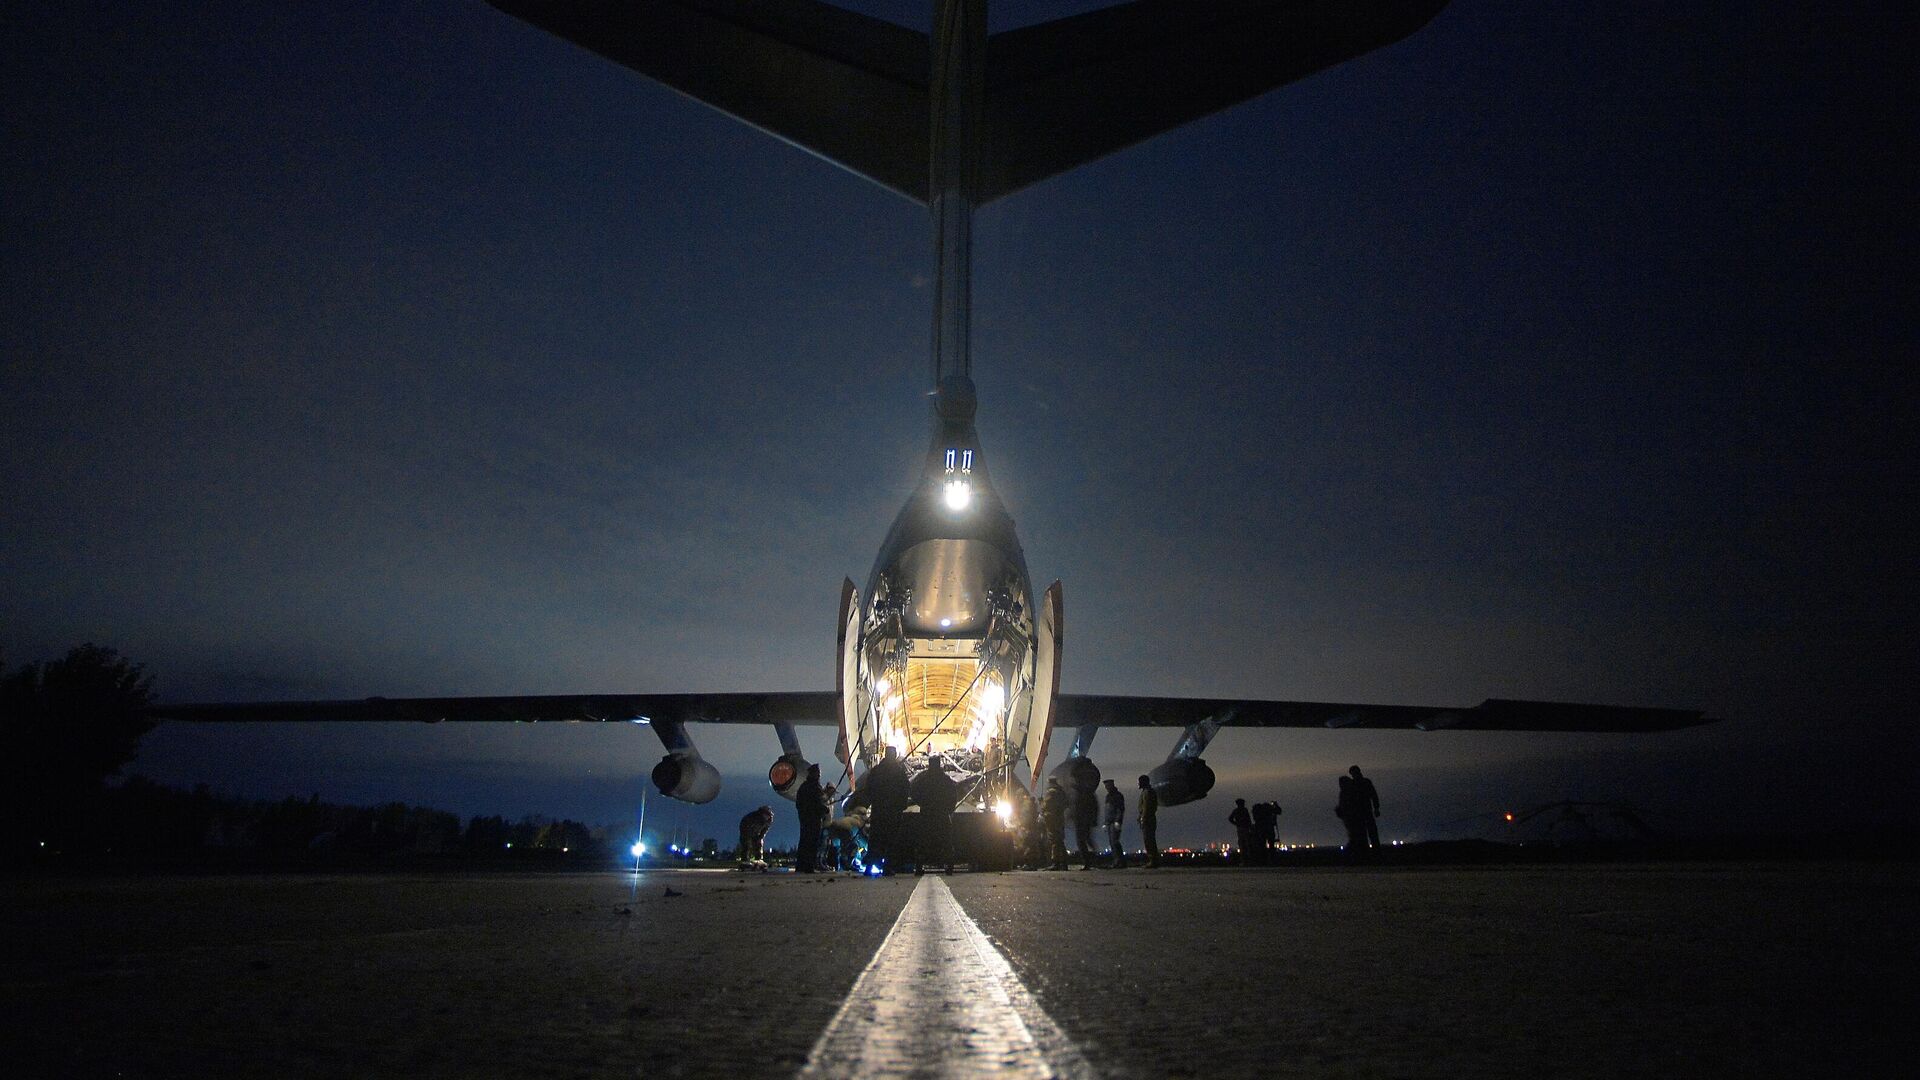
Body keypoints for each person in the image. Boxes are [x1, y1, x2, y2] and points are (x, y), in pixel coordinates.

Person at [909, 753, 962, 874]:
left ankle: (919, 867)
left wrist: (921, 802)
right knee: (946, 840)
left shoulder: (923, 778)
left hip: (927, 813)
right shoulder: (945, 779)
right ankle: (949, 867)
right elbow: (953, 794)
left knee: (923, 840)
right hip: (942, 814)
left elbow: (912, 790)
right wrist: (949, 808)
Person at [863, 744, 911, 874]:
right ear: (894, 755)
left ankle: (870, 866)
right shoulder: (899, 772)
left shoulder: (876, 771)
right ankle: (888, 867)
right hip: (893, 812)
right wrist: (902, 805)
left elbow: (869, 788)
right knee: (891, 840)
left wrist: (873, 802)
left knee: (876, 838)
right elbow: (905, 789)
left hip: (879, 811)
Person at [795, 764, 829, 873]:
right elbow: (815, 803)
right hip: (812, 819)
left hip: (805, 819)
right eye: (817, 773)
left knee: (805, 841)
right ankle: (808, 866)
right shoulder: (814, 787)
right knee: (811, 842)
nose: (819, 775)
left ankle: (801, 865)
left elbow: (800, 803)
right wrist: (824, 809)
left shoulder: (804, 787)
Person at [1040, 778, 1070, 870]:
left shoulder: (1051, 793)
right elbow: (1066, 804)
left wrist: (1041, 802)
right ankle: (1064, 863)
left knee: (1054, 841)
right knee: (1060, 840)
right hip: (1059, 818)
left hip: (1052, 820)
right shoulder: (1061, 792)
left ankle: (1055, 862)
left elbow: (1046, 806)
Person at [1071, 776, 1100, 870]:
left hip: (1082, 822)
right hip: (1084, 821)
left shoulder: (1083, 795)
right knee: (1087, 841)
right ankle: (1092, 860)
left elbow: (1090, 809)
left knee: (1082, 842)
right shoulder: (1088, 794)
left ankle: (1089, 861)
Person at [1336, 775, 1369, 858]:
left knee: (1355, 837)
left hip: (1353, 818)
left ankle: (1354, 854)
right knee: (1356, 836)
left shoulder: (1348, 793)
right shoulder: (1346, 793)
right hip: (1351, 819)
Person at [1349, 766, 1381, 850]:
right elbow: (1373, 795)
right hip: (1360, 812)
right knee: (1366, 833)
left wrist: (1376, 808)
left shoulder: (1362, 783)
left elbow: (1373, 795)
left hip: (1364, 811)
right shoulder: (1362, 783)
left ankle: (1373, 850)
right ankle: (1371, 850)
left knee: (1369, 832)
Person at [1136, 774, 1160, 868]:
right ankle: (1152, 860)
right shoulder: (1146, 792)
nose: (1138, 783)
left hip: (1148, 819)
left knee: (1149, 840)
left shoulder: (1148, 792)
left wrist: (1143, 818)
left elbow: (1147, 807)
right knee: (1148, 840)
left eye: (1139, 781)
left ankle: (1153, 860)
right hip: (1148, 818)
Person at [1101, 778, 1126, 868]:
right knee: (1112, 842)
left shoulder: (1117, 796)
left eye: (1107, 786)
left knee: (1115, 842)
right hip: (1109, 822)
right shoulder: (1108, 796)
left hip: (1114, 822)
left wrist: (1117, 821)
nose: (1106, 788)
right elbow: (1107, 810)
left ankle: (1120, 861)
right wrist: (1105, 822)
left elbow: (1120, 809)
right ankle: (1117, 861)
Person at [1228, 798, 1254, 864]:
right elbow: (1230, 819)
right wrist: (1237, 824)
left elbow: (1248, 819)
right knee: (1244, 844)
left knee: (1244, 844)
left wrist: (1237, 824)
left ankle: (1246, 860)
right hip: (1243, 828)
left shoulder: (1241, 810)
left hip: (1243, 828)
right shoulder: (1241, 810)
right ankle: (1245, 860)